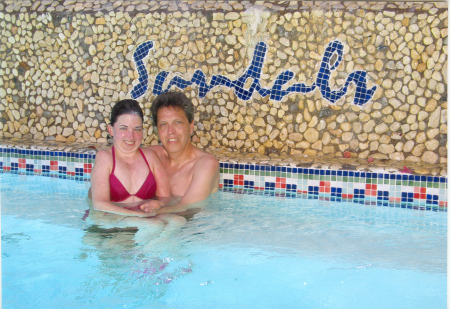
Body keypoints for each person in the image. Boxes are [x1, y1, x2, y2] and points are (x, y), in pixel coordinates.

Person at [90, 99, 171, 217]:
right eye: (124, 128)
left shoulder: (151, 158)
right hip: (111, 221)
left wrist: (158, 204)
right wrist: (136, 216)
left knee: (178, 221)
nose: (131, 136)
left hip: (144, 219)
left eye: (137, 129)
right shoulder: (105, 158)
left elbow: (166, 198)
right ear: (111, 130)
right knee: (154, 226)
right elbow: (99, 204)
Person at [146, 91, 220, 214]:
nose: (170, 131)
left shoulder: (206, 164)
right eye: (163, 124)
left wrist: (138, 214)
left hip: (195, 229)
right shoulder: (153, 155)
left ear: (191, 127)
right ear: (157, 130)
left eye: (177, 122)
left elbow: (186, 210)